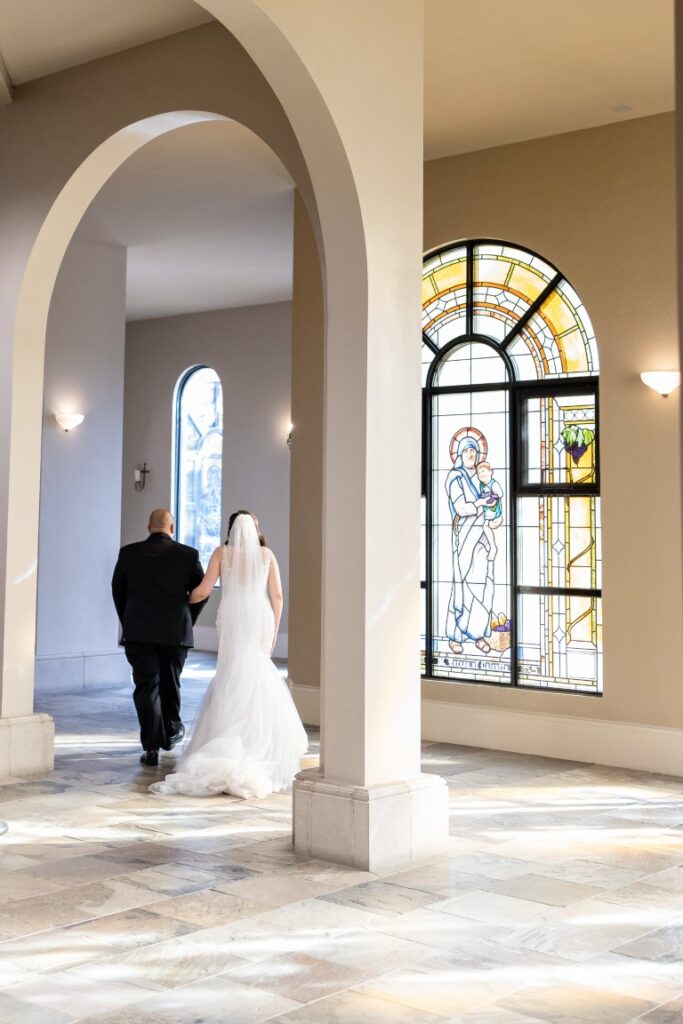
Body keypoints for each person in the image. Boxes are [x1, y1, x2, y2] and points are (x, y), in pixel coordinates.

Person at [150, 510, 308, 799]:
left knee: (233, 669)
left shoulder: (222, 553)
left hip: (234, 616)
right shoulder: (266, 555)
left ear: (230, 528)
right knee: (256, 667)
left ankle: (227, 732)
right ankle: (256, 739)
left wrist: (180, 598)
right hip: (259, 616)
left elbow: (203, 590)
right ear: (255, 529)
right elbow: (277, 596)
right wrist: (273, 629)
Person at [112, 509, 207, 767]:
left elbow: (118, 591)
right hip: (175, 632)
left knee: (146, 688)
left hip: (139, 632)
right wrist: (187, 618)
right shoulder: (188, 555)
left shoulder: (128, 553)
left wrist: (128, 620)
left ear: (148, 527)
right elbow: (201, 592)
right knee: (170, 682)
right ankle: (171, 731)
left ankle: (152, 746)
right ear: (172, 528)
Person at [444, 437, 498, 656]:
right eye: (466, 451)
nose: (471, 455)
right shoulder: (455, 477)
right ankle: (455, 636)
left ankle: (479, 635)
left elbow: (491, 503)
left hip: (482, 537)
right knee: (462, 584)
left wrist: (495, 513)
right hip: (464, 535)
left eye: (474, 452)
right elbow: (460, 507)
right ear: (459, 454)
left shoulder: (481, 478)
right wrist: (480, 504)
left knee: (482, 584)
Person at [475, 461, 503, 560]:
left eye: (483, 471)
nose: (481, 474)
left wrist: (492, 497)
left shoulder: (494, 484)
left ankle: (493, 547)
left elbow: (500, 494)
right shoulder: (481, 485)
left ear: (491, 472)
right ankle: (491, 546)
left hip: (494, 511)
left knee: (485, 526)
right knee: (485, 526)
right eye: (479, 473)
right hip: (487, 511)